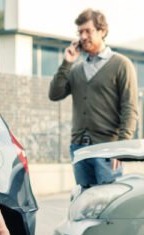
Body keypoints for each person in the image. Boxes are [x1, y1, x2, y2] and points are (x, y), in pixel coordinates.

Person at [49, 8, 138, 190]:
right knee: (85, 204)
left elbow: (130, 109)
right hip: (79, 148)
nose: (83, 36)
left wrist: (121, 147)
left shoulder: (121, 64)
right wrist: (67, 62)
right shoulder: (76, 69)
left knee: (109, 203)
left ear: (102, 31)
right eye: (80, 32)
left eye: (88, 31)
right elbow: (55, 94)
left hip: (108, 148)